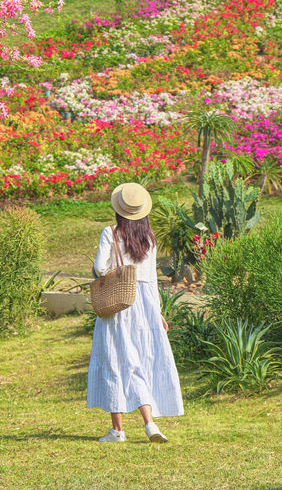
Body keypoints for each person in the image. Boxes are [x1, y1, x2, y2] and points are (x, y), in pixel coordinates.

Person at [86, 181, 183, 443]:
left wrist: (103, 271)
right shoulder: (149, 239)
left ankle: (118, 430)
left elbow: (99, 269)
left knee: (115, 361)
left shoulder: (110, 233)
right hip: (145, 304)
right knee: (139, 361)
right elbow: (151, 279)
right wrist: (158, 312)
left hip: (118, 304)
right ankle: (150, 424)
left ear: (119, 209)